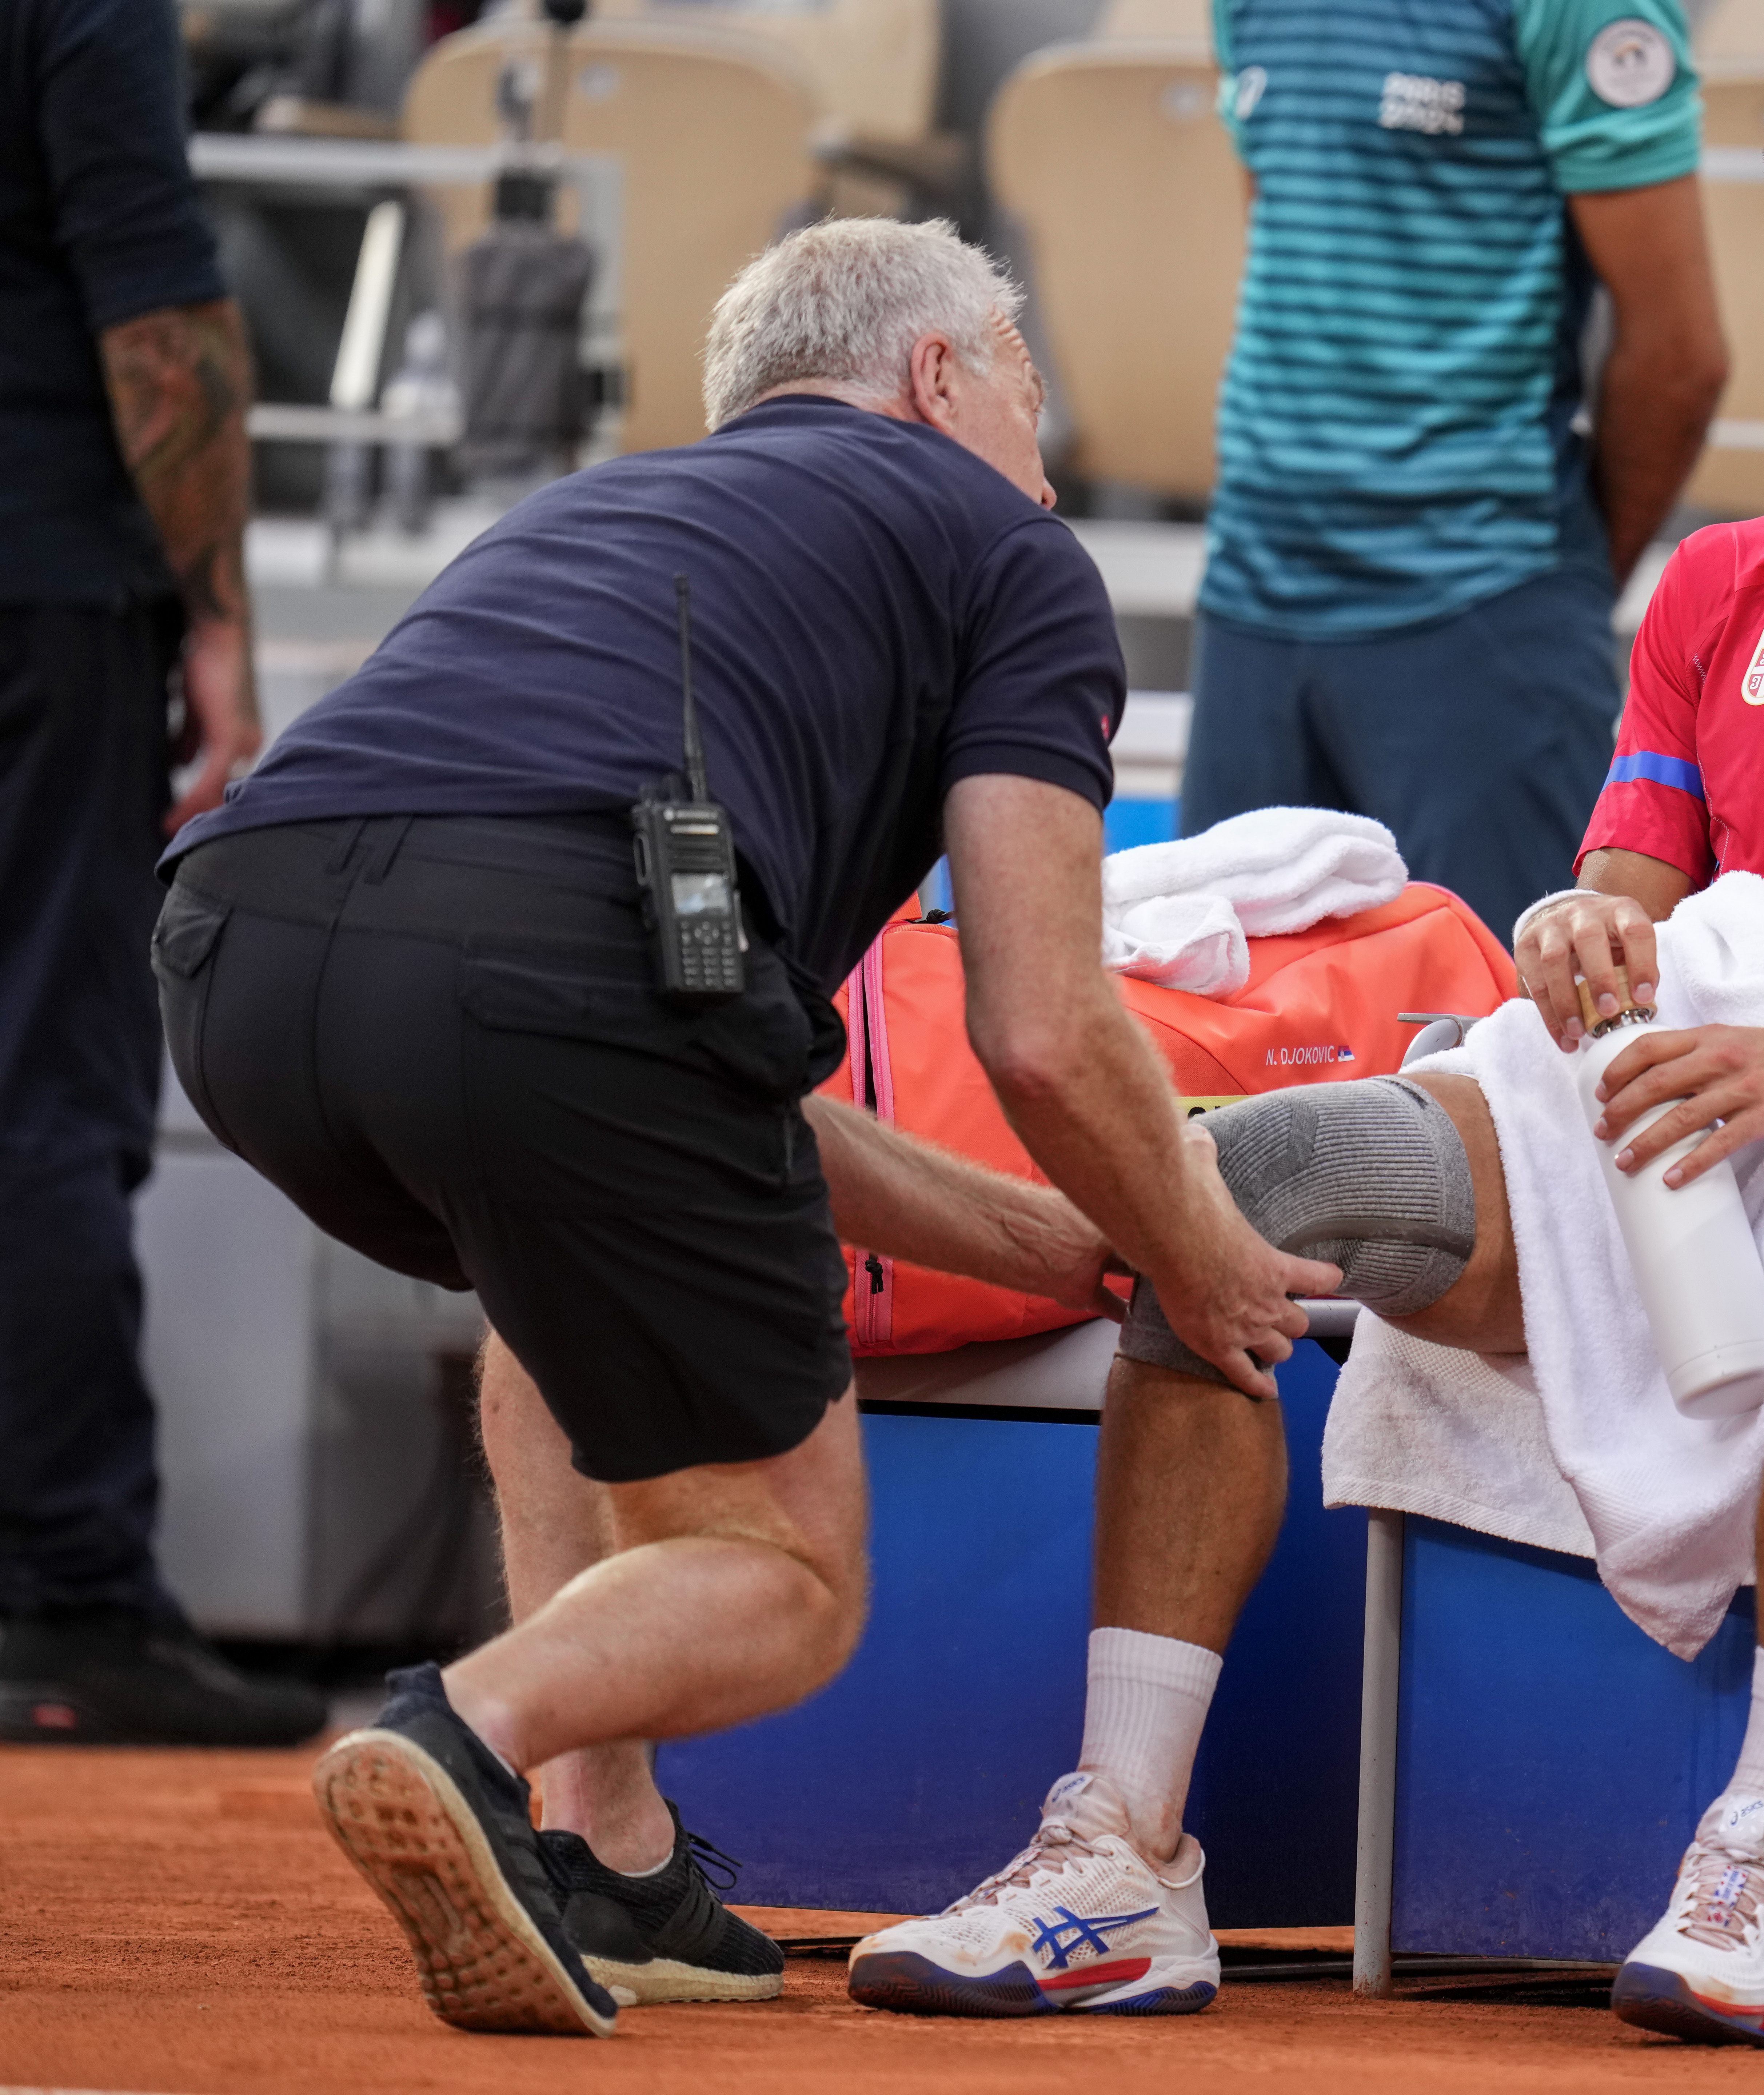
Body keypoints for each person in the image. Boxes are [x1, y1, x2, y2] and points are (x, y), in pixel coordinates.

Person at [846, 47, 1764, 2046]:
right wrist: (1580, 927)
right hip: (1687, 1100)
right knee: (1230, 1185)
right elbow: (1621, 892)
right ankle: (1124, 1857)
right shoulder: (1712, 584)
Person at [155, 218, 1338, 2038]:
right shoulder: (1005, 552)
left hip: (238, 963)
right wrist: (1196, 1249)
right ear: (939, 376)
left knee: (548, 1261)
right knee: (789, 1580)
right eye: (1028, 378)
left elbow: (722, 1098)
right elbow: (1042, 1024)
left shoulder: (599, 520)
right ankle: (462, 1734)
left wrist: (1062, 1241)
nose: (1044, 432)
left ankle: (607, 1862)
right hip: (550, 973)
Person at [0, 0, 311, 1745]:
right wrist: (219, 617)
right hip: (41, 583)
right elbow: (159, 318)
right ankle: (70, 1595)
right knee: (45, 1082)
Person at [1180, 0, 1730, 941]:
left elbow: (1680, 357)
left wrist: (1552, 585)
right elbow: (1283, 232)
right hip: (1251, 597)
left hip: (1481, 605)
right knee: (1211, 1061)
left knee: (1504, 1058)